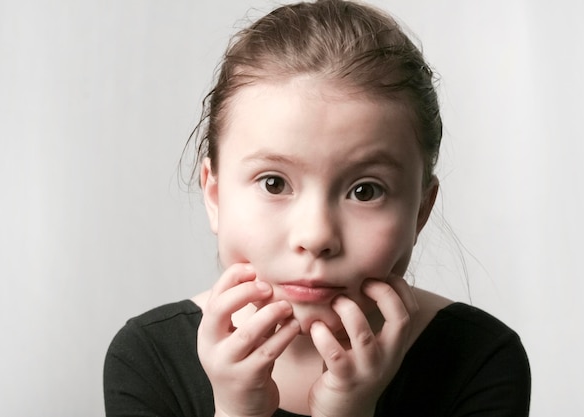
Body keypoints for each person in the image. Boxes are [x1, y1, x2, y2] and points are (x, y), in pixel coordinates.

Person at [103, 1, 531, 416]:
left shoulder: (481, 361)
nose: (316, 236)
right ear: (214, 196)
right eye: (274, 183)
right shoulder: (148, 358)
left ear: (420, 211)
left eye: (366, 191)